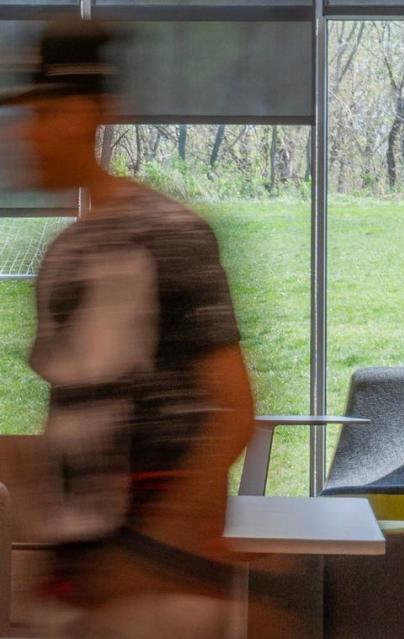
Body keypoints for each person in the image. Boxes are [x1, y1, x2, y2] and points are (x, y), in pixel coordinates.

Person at [0, 18, 288, 638]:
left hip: (155, 584)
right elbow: (68, 424)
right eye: (24, 118)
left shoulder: (173, 235)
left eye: (45, 115)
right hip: (81, 580)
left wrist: (154, 555)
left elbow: (234, 409)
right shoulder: (61, 256)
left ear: (93, 115)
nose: (28, 136)